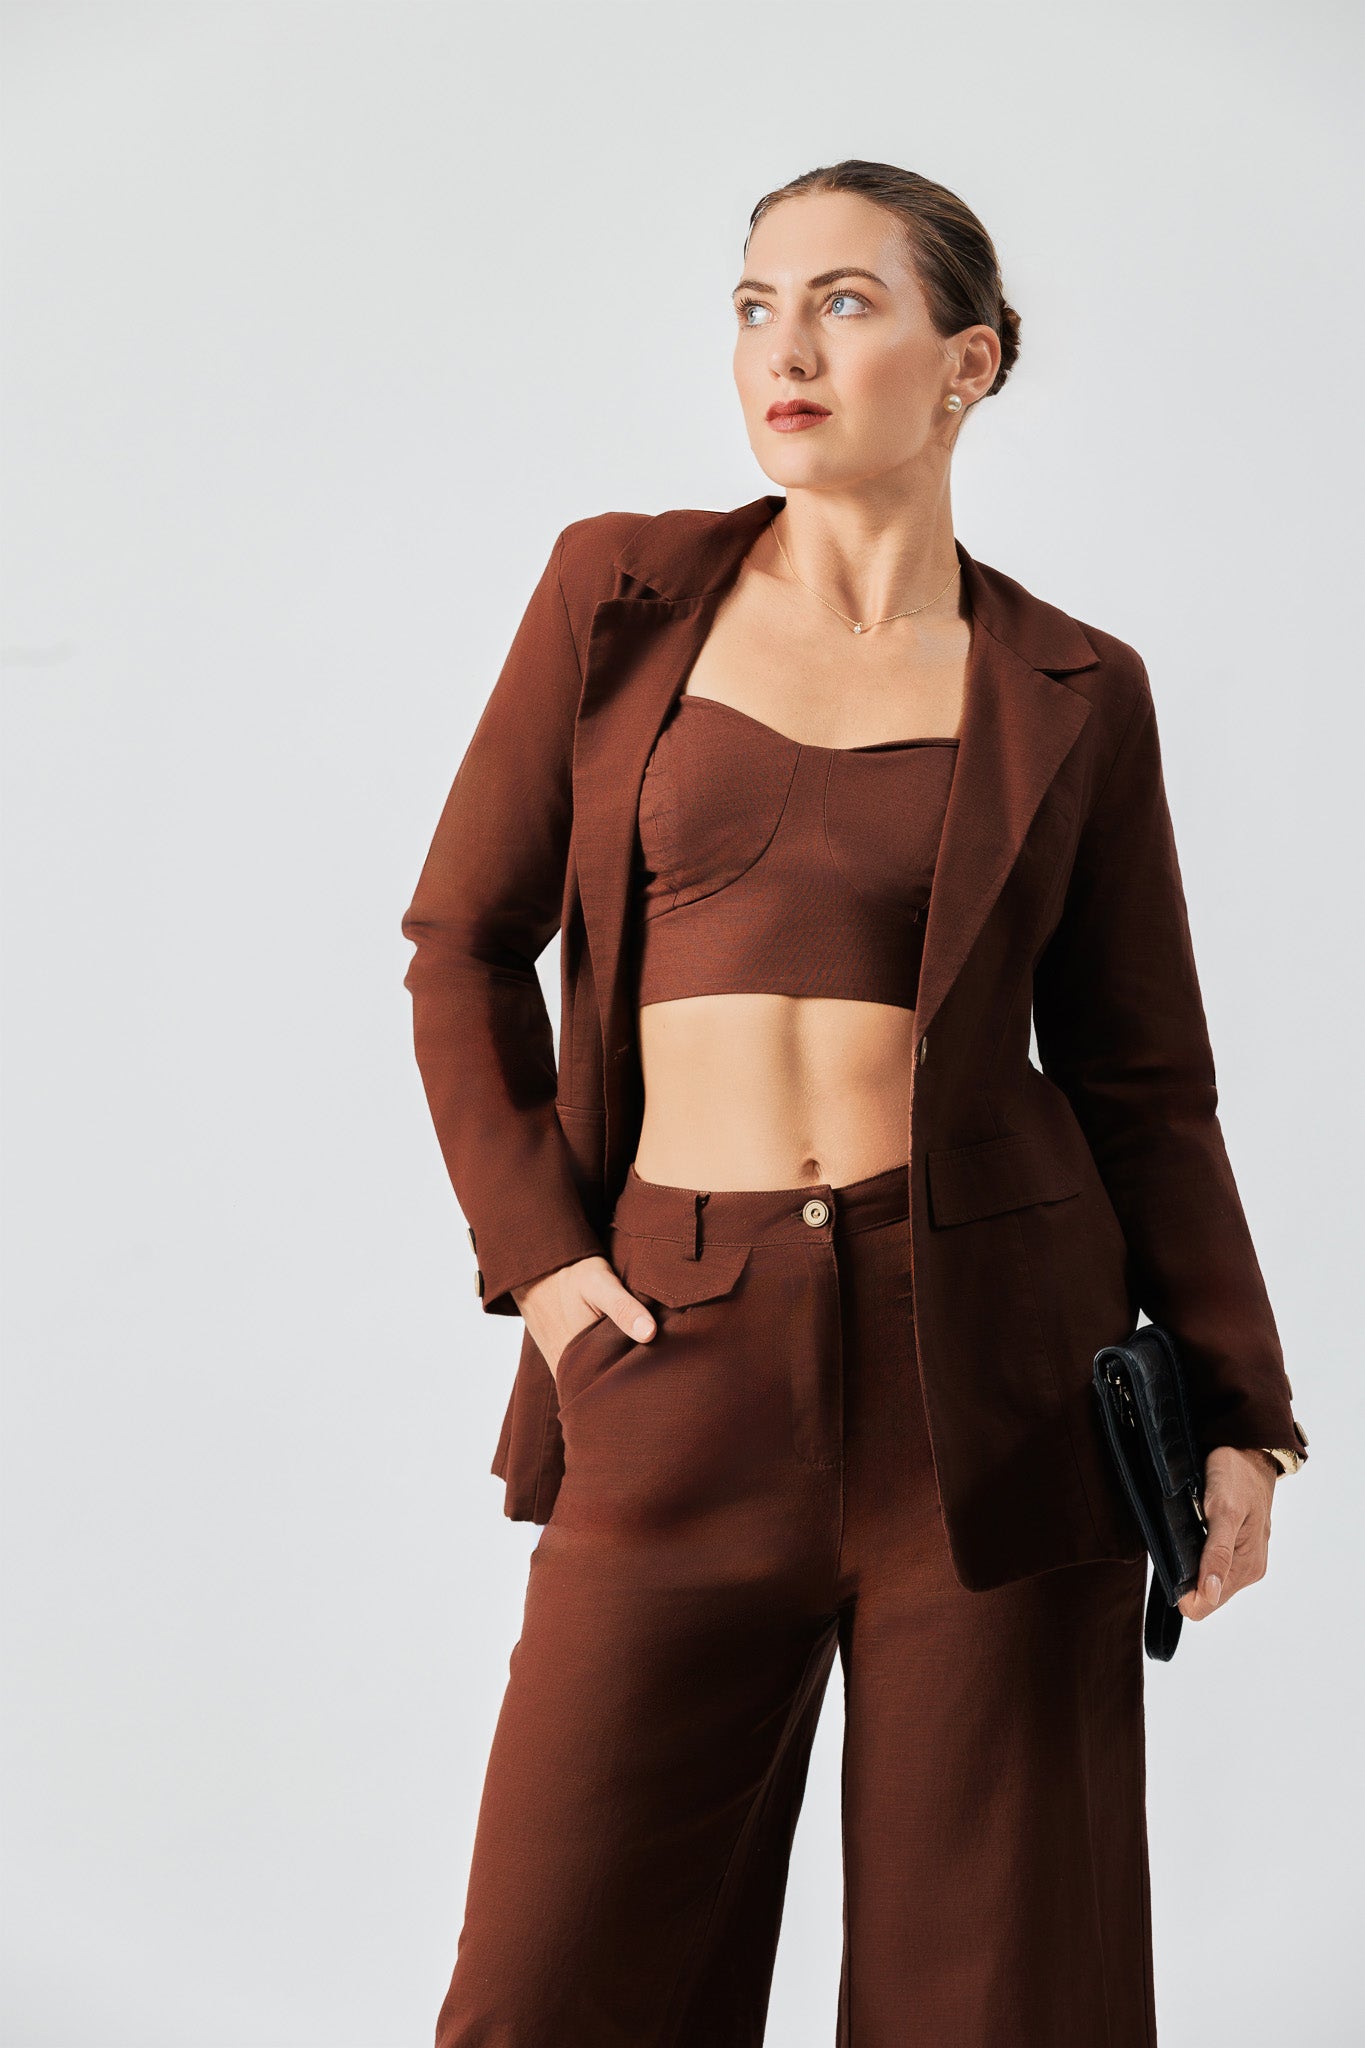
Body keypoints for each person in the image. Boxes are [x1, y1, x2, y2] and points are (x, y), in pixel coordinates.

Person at [400, 160, 1308, 2048]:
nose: (782, 350)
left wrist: (1238, 1407)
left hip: (991, 1374)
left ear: (966, 362)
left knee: (995, 1992)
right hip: (673, 1347)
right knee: (556, 1982)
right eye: (754, 305)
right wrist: (550, 1273)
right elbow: (460, 946)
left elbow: (1142, 1077)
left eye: (840, 302)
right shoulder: (619, 595)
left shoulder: (1070, 686)